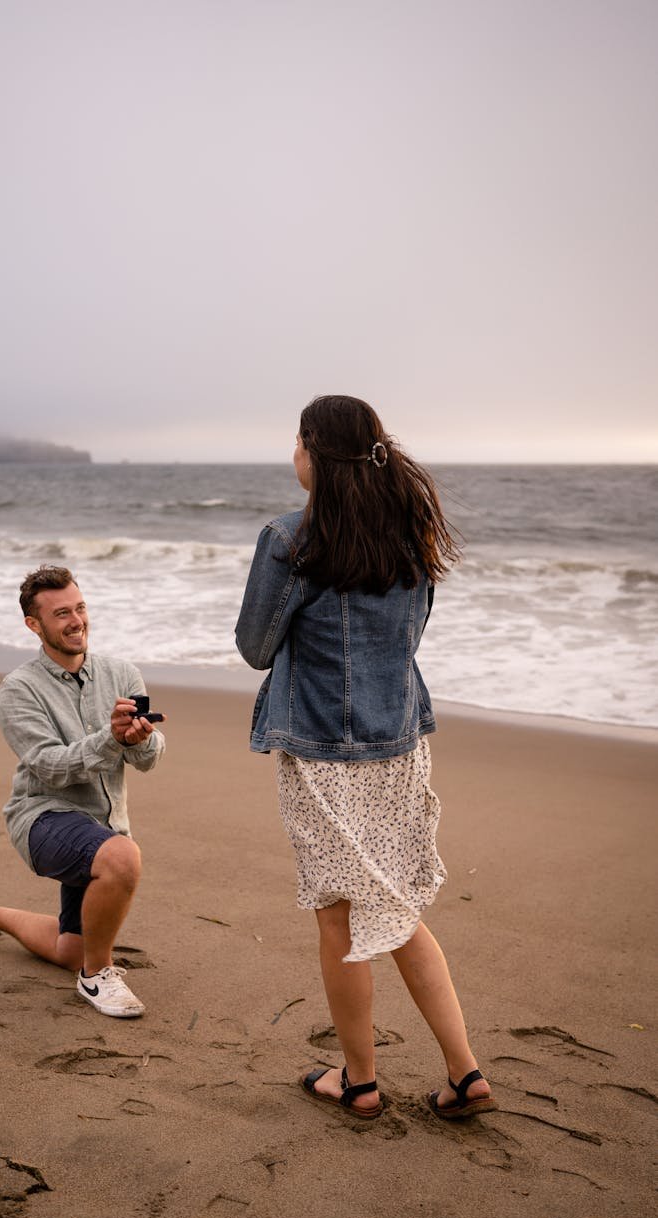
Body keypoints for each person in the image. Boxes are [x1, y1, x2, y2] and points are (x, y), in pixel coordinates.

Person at [235, 395, 495, 1120]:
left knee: (340, 915)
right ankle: (463, 1071)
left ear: (315, 453)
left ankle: (358, 1079)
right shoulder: (412, 537)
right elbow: (408, 641)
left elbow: (254, 648)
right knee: (395, 906)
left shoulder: (291, 539)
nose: (292, 453)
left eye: (297, 442)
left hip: (320, 748)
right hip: (398, 743)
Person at [0, 565, 165, 1018]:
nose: (77, 621)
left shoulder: (122, 672)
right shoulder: (19, 688)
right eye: (62, 613)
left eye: (81, 607)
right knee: (123, 858)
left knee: (71, 949)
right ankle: (97, 979)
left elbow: (147, 761)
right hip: (42, 818)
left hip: (103, 826)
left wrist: (140, 739)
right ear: (35, 625)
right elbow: (50, 768)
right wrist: (111, 740)